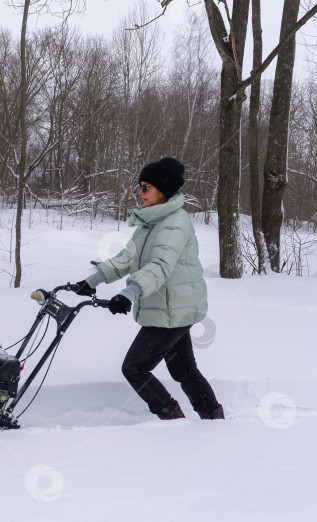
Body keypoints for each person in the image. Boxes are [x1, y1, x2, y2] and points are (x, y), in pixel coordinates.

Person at [74, 157, 224, 420]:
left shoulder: (174, 223)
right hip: (173, 309)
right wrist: (92, 281)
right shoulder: (151, 222)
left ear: (162, 189)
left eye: (146, 187)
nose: (140, 193)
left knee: (135, 368)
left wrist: (130, 292)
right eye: (140, 187)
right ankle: (212, 418)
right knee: (185, 372)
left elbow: (161, 265)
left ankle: (172, 417)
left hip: (172, 309)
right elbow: (127, 257)